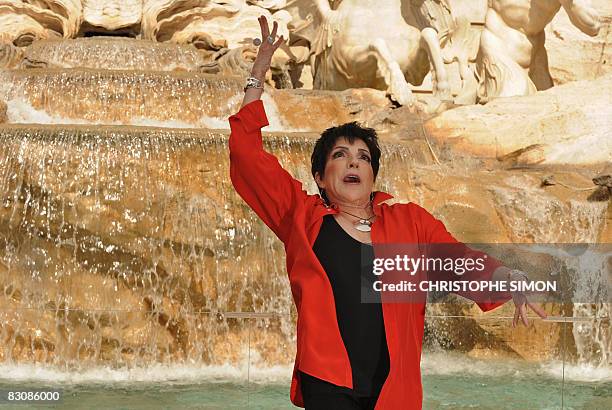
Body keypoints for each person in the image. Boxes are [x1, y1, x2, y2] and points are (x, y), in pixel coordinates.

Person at [229, 15, 547, 410]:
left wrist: (507, 277)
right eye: (340, 156)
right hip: (327, 381)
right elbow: (246, 156)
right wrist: (257, 73)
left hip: (393, 389)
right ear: (320, 176)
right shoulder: (301, 216)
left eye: (363, 158)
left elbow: (459, 260)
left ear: (373, 174)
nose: (353, 164)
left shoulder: (408, 221)